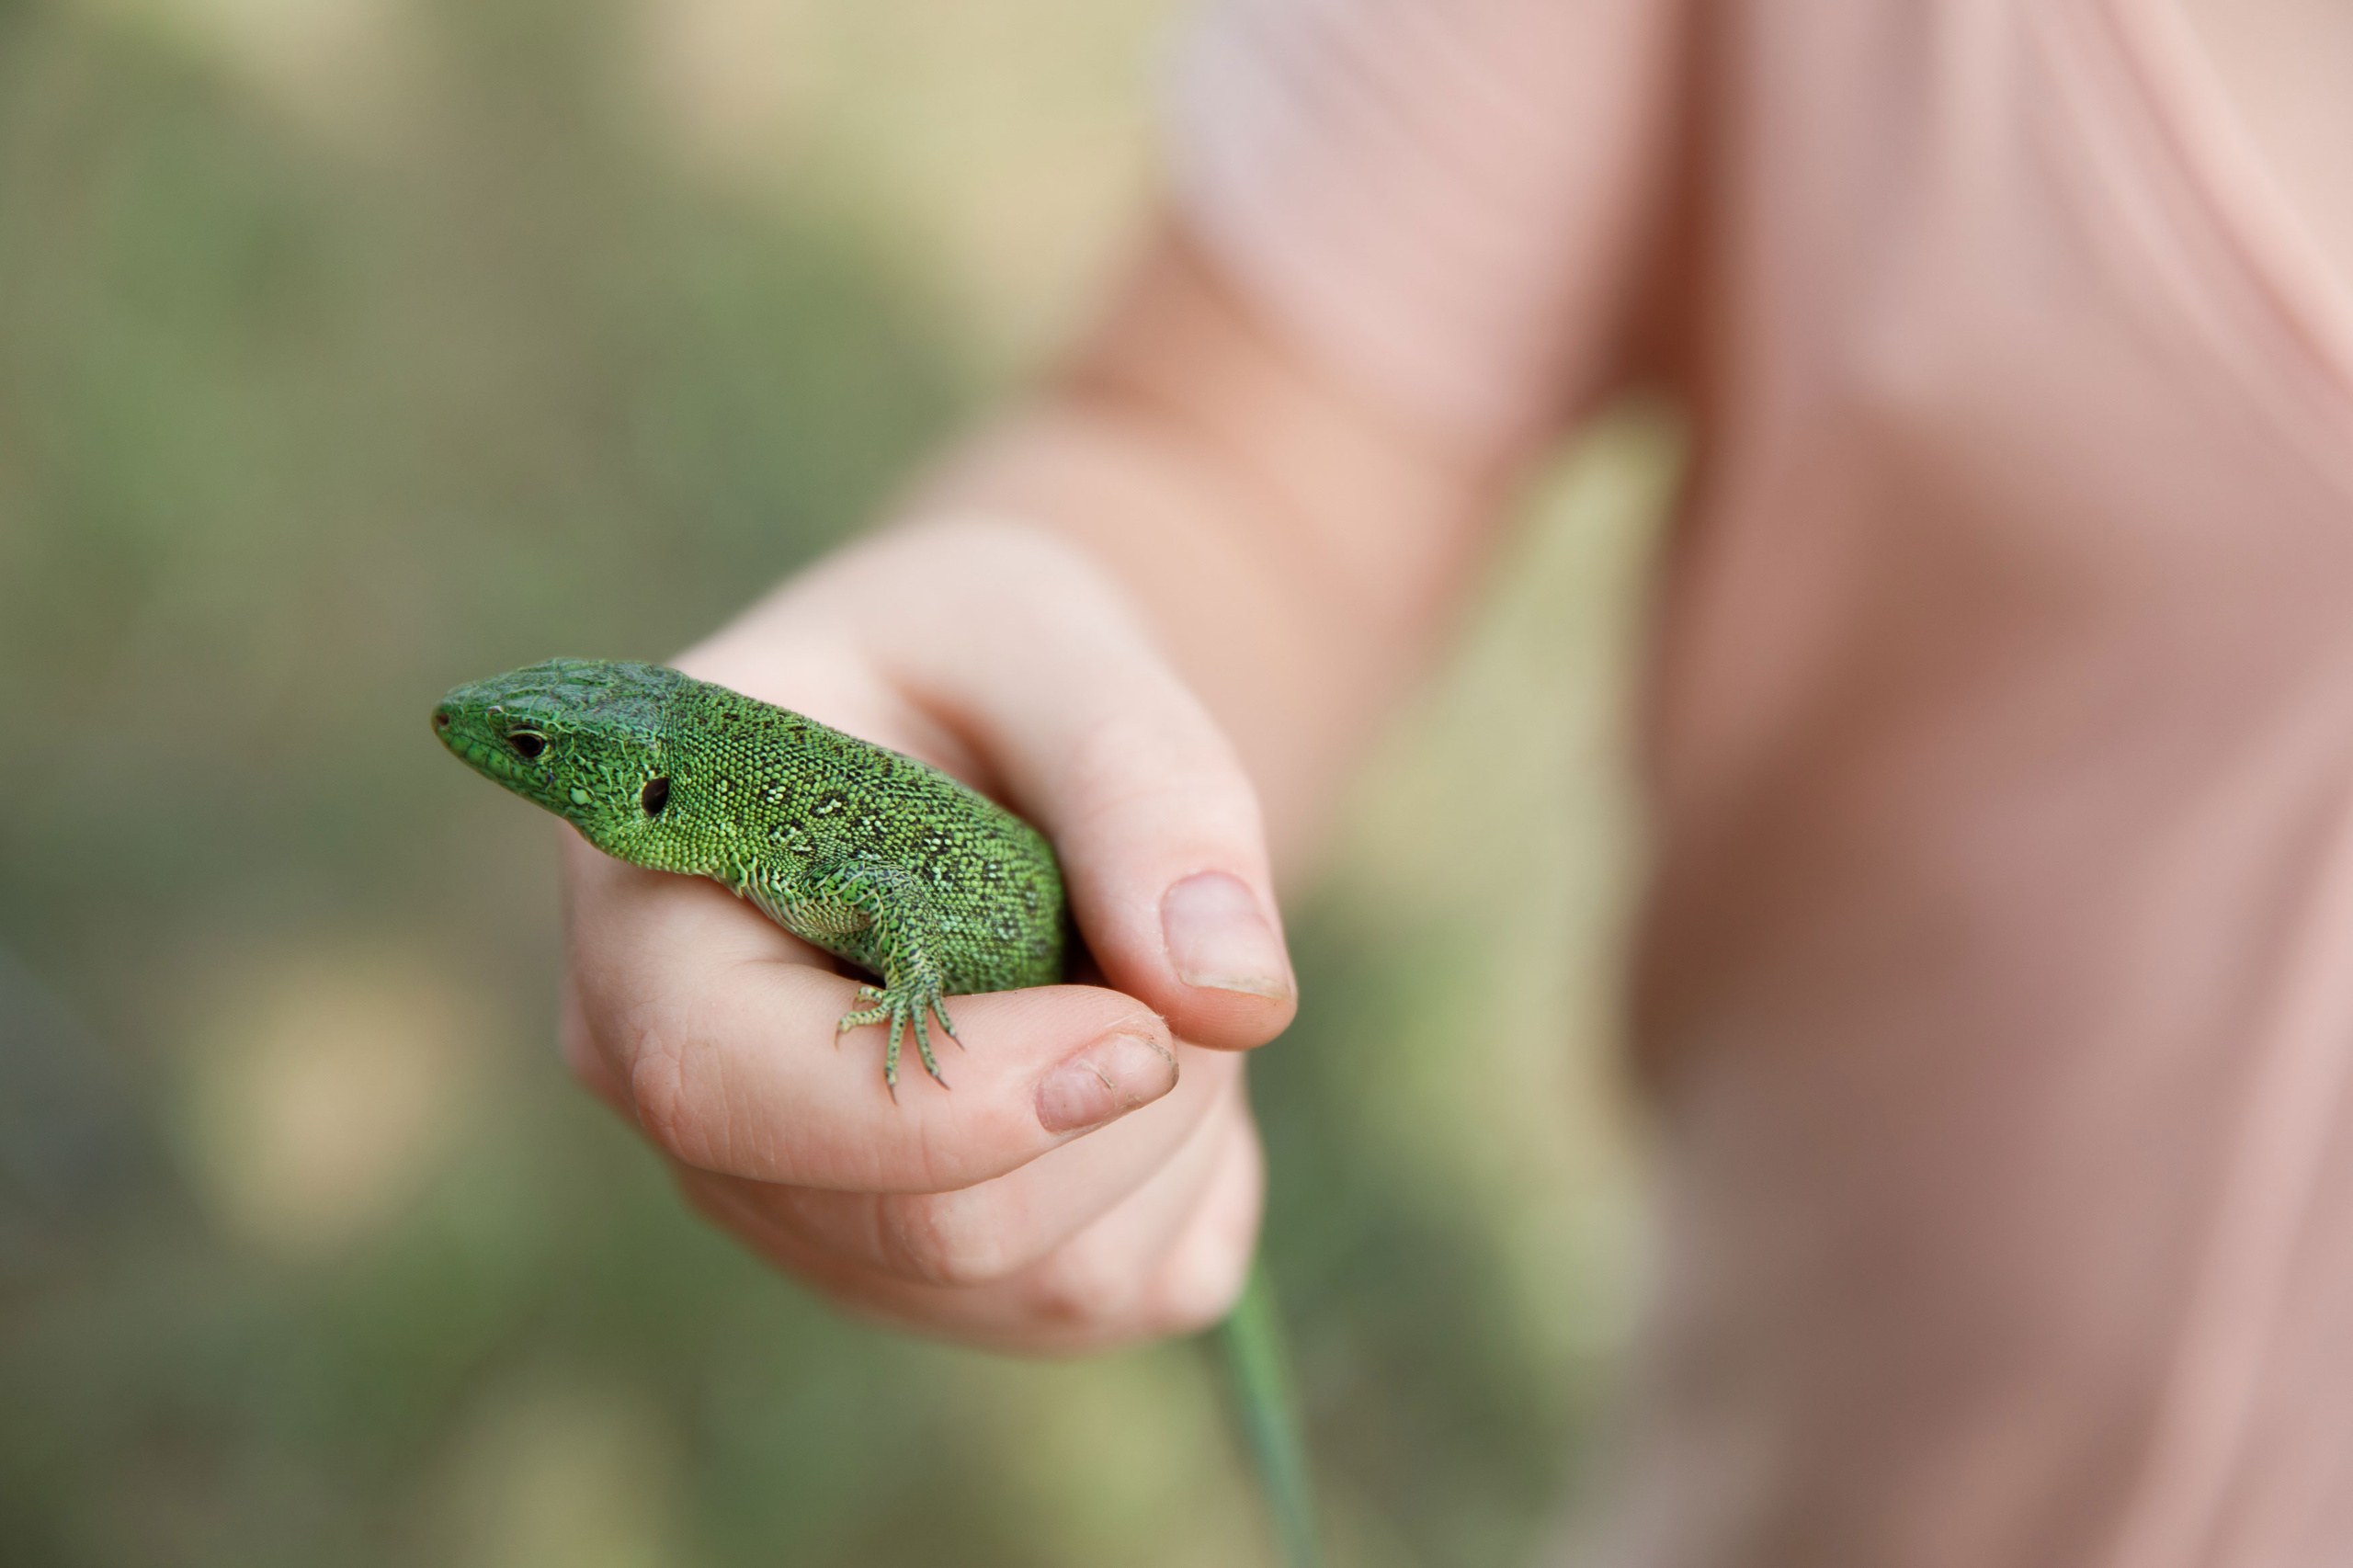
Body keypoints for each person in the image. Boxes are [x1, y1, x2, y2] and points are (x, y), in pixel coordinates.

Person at [558, 0, 2353, 1559]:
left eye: (546, 751)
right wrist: (1010, 648)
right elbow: (1239, 475)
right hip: (1816, 1472)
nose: (506, 752)